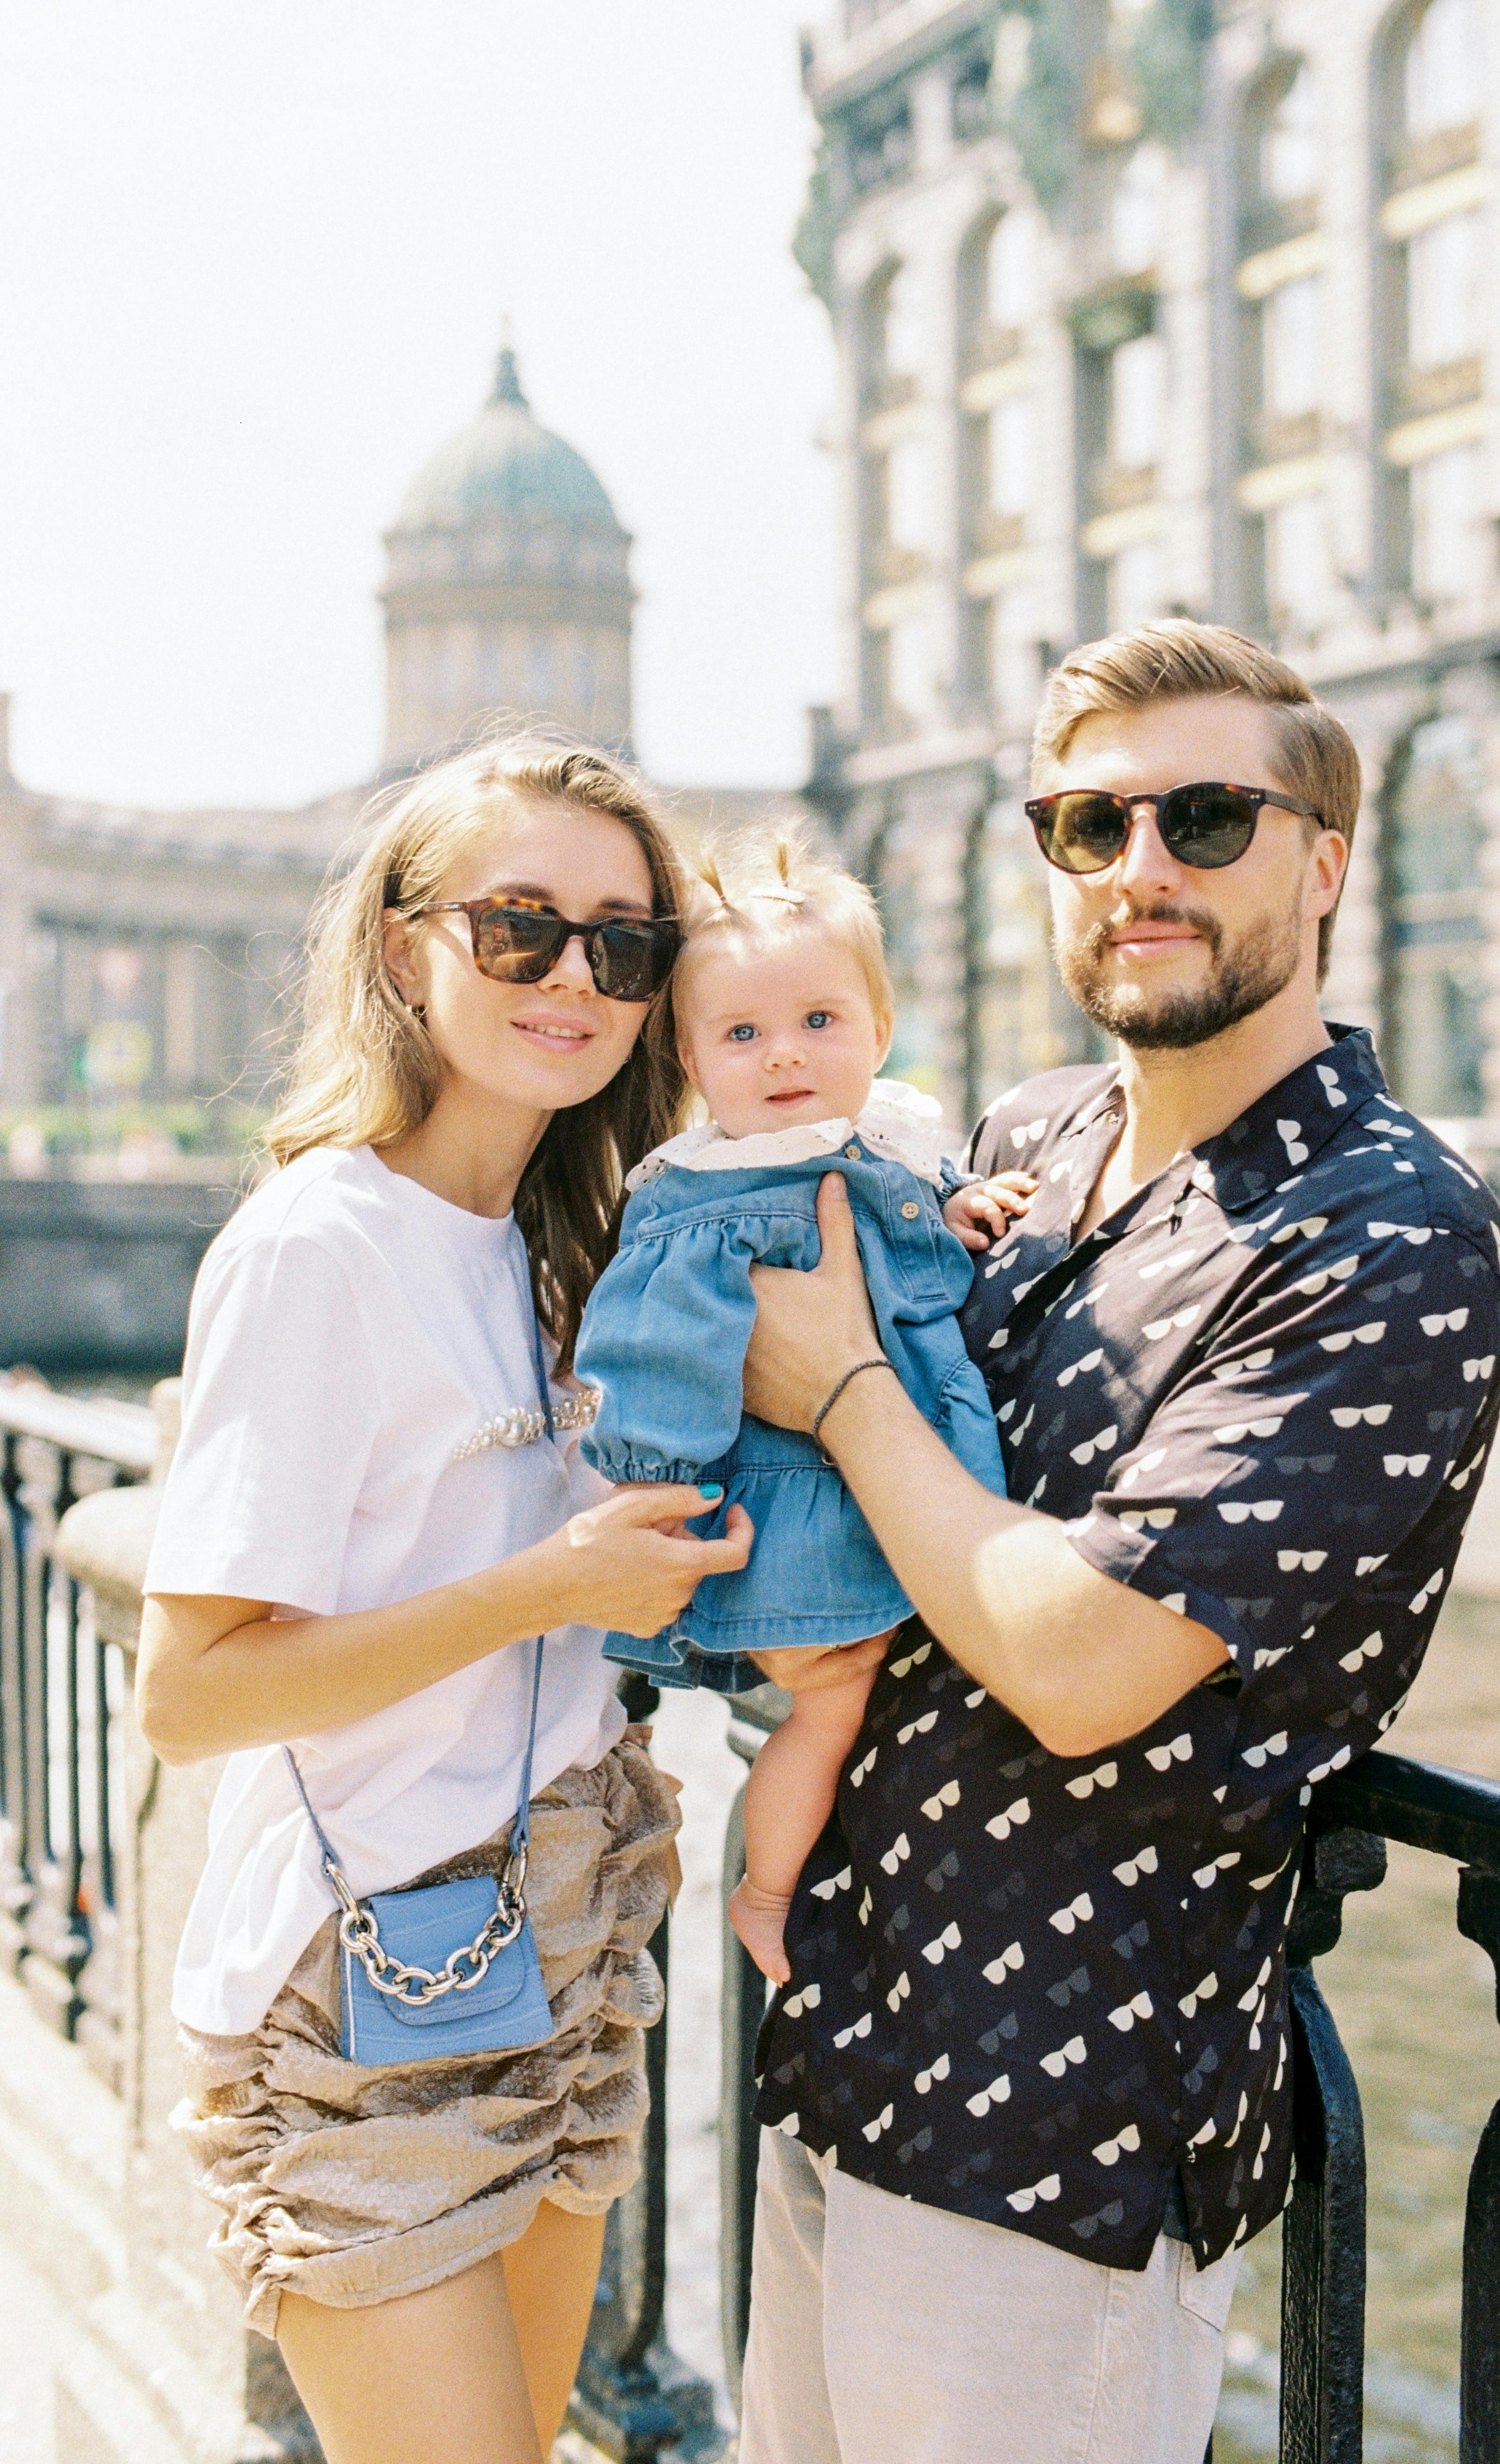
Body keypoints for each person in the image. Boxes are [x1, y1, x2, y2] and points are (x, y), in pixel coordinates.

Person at [735, 621, 1500, 2464]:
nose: (1138, 867)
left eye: (1202, 816)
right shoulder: (1030, 1135)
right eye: (1084, 823)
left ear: (1322, 862)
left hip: (1054, 2143)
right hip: (837, 2044)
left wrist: (838, 1379)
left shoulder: (1387, 1231)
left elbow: (1083, 1659)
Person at [134, 737, 754, 2464]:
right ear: (406, 946)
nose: (574, 976)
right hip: (362, 1983)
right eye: (519, 928)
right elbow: (190, 1694)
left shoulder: (574, 1235)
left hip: (567, 1917)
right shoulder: (316, 1244)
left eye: (622, 945)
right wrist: (546, 1584)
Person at [573, 833, 1035, 1984]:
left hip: (873, 1492)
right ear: (691, 1060)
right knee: (830, 1705)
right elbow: (646, 1354)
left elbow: (897, 1224)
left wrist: (960, 1203)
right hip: (797, 1525)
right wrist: (662, 1504)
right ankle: (768, 1895)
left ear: (879, 1033)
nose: (784, 1056)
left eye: (819, 1023)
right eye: (742, 1035)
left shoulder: (868, 1146)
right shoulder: (705, 1205)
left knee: (857, 1703)